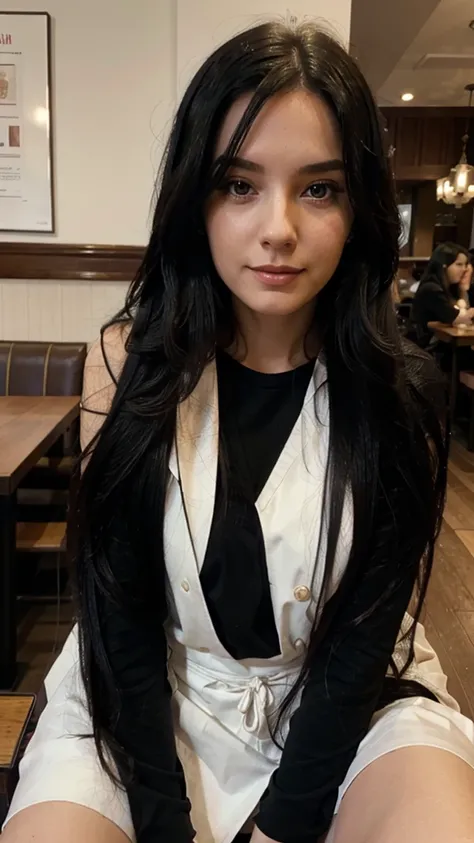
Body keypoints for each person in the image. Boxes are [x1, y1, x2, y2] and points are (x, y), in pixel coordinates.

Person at [4, 20, 474, 843]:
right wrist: (162, 818)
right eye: (239, 185)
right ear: (197, 197)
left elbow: (358, 650)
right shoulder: (126, 366)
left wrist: (284, 825)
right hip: (149, 698)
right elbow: (121, 622)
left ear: (359, 203)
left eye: (319, 188)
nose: (278, 228)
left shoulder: (399, 395)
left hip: (340, 704)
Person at [408, 243, 474, 348]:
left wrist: (463, 288)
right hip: (425, 349)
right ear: (444, 265)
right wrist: (469, 313)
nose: (464, 269)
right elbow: (458, 318)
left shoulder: (450, 288)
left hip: (440, 346)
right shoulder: (431, 289)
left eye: (465, 265)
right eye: (459, 264)